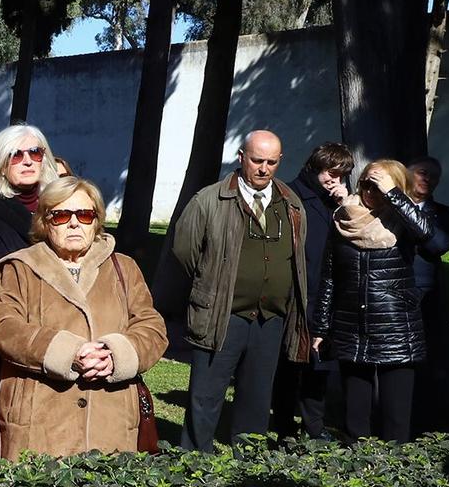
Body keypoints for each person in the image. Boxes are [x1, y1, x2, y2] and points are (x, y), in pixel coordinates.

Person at [0, 177, 168, 458]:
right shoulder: (19, 268)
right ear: (45, 222)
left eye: (84, 215)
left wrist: (115, 355)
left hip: (111, 416)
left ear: (96, 221)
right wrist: (68, 353)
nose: (74, 223)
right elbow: (4, 328)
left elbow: (151, 326)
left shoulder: (124, 268)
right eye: (60, 215)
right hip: (41, 418)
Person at [168, 129, 312, 451]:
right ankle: (194, 457)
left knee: (257, 395)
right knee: (206, 394)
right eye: (257, 160)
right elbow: (186, 250)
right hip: (222, 315)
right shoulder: (210, 200)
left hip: (270, 318)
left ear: (280, 161)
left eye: (271, 162)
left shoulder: (290, 203)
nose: (263, 168)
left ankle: (249, 454)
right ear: (241, 157)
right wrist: (214, 282)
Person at [310, 159, 434, 442]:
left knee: (395, 419)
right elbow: (330, 276)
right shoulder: (344, 217)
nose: (369, 191)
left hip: (396, 329)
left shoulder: (403, 222)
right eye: (365, 183)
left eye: (377, 186)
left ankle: (393, 477)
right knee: (355, 418)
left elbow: (427, 234)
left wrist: (394, 195)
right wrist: (320, 328)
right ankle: (358, 475)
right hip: (352, 326)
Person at [0, 125, 61, 429]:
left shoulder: (63, 204)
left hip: (66, 327)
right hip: (13, 331)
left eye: (35, 152)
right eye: (15, 155)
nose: (28, 160)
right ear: (0, 162)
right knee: (11, 429)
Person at [273, 143, 352, 439]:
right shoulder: (291, 196)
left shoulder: (337, 201)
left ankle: (313, 426)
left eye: (342, 174)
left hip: (327, 293)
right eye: (331, 172)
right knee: (289, 364)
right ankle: (283, 425)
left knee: (319, 364)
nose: (335, 179)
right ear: (315, 167)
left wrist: (346, 204)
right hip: (296, 293)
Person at [409, 155, 449, 431]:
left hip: (426, 295)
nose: (427, 179)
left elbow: (437, 245)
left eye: (434, 176)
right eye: (421, 172)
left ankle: (431, 421)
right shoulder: (387, 208)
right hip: (393, 292)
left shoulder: (444, 214)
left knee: (430, 360)